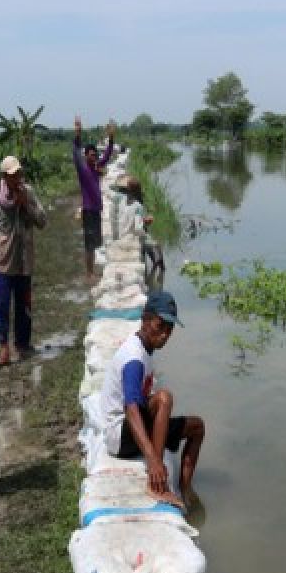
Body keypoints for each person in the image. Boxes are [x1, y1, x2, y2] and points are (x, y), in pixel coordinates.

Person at [96, 290, 205, 505]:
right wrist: (153, 460)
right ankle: (157, 485)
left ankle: (185, 490)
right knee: (164, 398)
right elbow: (132, 409)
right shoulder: (134, 358)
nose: (164, 333)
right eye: (160, 325)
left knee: (197, 427)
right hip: (120, 436)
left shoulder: (145, 351)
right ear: (145, 319)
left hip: (132, 431)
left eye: (169, 329)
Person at [0, 155, 48, 365]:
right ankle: (4, 347)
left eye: (19, 173)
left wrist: (25, 205)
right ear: (4, 176)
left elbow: (42, 221)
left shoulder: (28, 193)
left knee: (24, 305)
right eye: (13, 175)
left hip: (24, 260)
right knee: (2, 305)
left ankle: (22, 344)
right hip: (4, 260)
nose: (17, 178)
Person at [73, 116, 115, 283]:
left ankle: (91, 271)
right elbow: (75, 153)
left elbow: (107, 155)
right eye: (91, 154)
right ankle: (88, 273)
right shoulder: (83, 170)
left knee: (95, 242)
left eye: (95, 154)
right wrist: (77, 134)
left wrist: (111, 138)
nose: (94, 156)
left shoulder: (97, 167)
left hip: (97, 210)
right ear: (86, 155)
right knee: (89, 244)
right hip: (89, 210)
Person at [117, 175, 164, 273]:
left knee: (147, 243)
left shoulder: (121, 201)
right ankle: (160, 270)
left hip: (122, 235)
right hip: (133, 238)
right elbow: (138, 228)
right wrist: (146, 222)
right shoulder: (138, 206)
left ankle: (153, 268)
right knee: (157, 245)